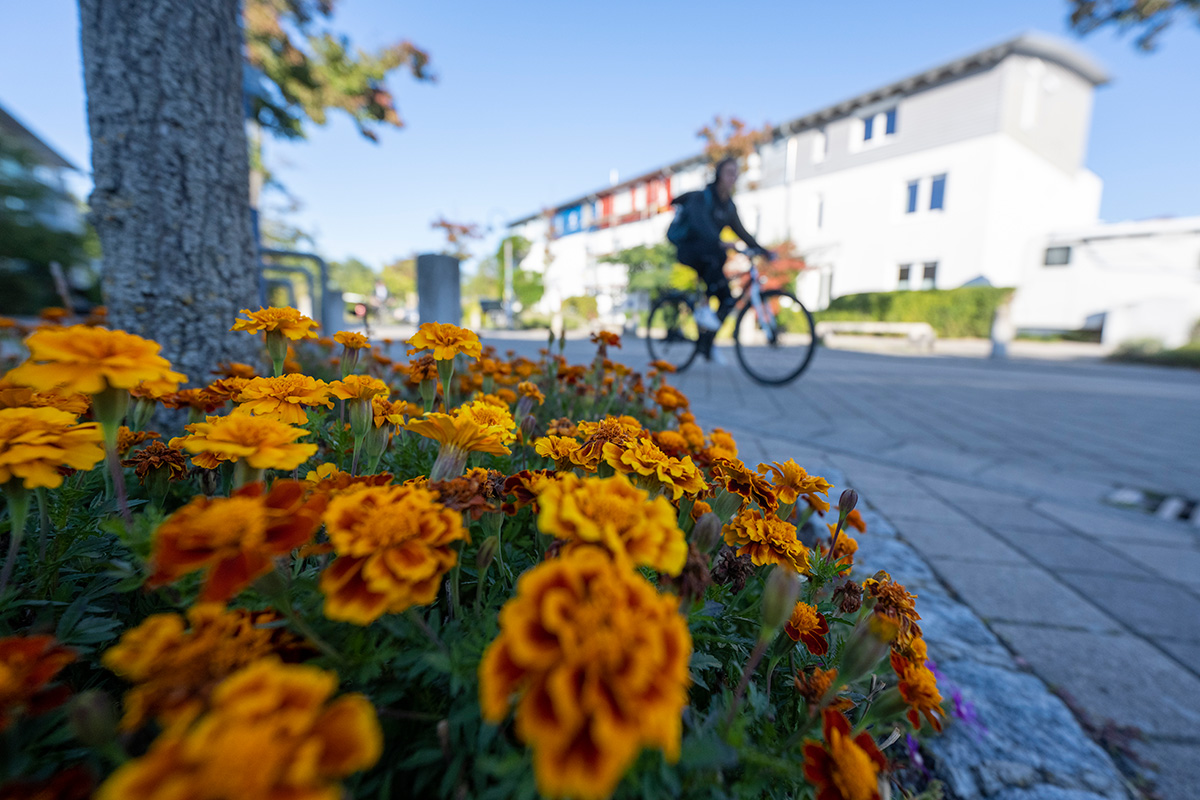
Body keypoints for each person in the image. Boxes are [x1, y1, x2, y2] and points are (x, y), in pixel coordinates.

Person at [670, 157, 772, 362]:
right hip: (689, 249)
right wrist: (720, 241)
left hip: (710, 253)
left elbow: (742, 231)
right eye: (728, 172)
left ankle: (706, 344)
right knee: (718, 256)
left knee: (727, 299)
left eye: (735, 172)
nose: (732, 176)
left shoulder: (728, 206)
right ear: (719, 175)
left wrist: (763, 251)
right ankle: (703, 312)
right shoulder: (703, 197)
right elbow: (700, 223)